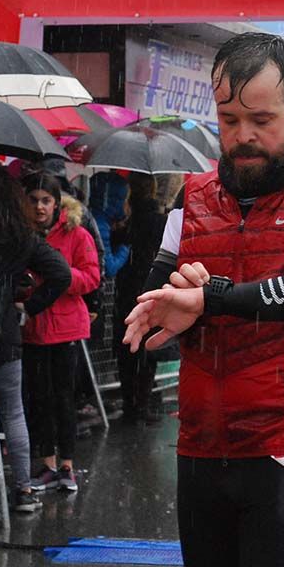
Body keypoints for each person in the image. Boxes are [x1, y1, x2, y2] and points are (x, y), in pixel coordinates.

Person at [122, 33, 284, 567]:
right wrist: (174, 299)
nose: (243, 137)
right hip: (203, 442)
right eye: (229, 120)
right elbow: (153, 305)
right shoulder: (194, 195)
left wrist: (212, 298)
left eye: (261, 119)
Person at [0, 159, 72, 513]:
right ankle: (22, 490)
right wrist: (30, 307)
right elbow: (61, 273)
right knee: (12, 412)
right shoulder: (20, 237)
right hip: (6, 333)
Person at [22, 172, 100, 493]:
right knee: (39, 399)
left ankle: (67, 465)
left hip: (66, 327)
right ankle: (47, 464)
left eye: (46, 201)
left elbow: (92, 277)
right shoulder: (24, 235)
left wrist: (62, 277)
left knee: (63, 399)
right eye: (34, 200)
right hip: (34, 327)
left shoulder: (77, 234)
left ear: (57, 204)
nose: (40, 207)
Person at [112, 172, 168, 424]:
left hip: (126, 290)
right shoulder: (159, 221)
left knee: (127, 348)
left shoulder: (125, 222)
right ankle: (142, 404)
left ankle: (129, 404)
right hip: (152, 288)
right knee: (147, 349)